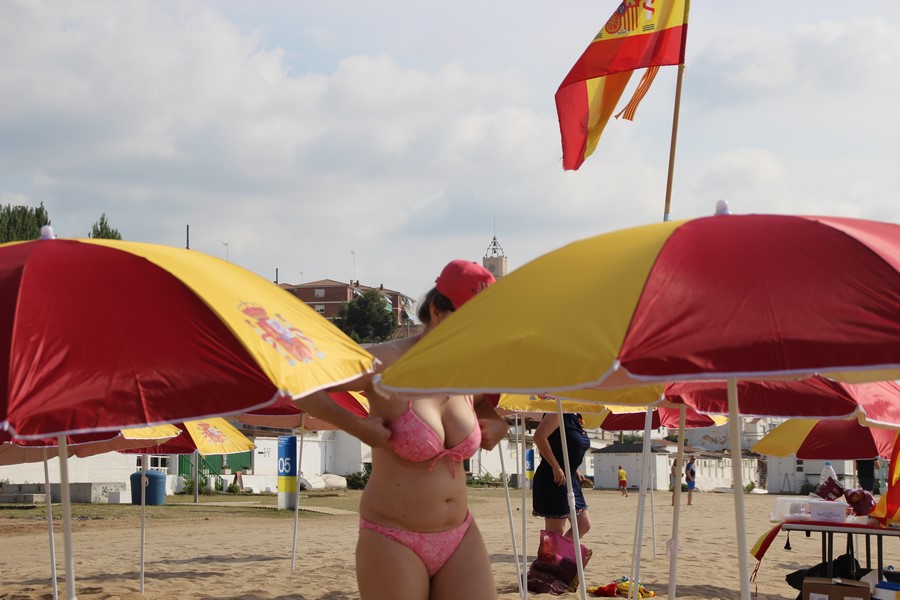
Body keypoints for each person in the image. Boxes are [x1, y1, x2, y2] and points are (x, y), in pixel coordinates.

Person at [294, 260, 510, 600]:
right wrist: (356, 426)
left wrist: (498, 423)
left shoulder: (469, 371)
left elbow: (485, 404)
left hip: (459, 534)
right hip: (393, 536)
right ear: (437, 311)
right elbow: (302, 383)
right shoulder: (385, 361)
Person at [531, 412, 592, 539]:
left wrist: (574, 470)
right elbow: (539, 437)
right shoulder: (558, 411)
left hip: (569, 478)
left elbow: (564, 446)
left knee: (583, 525)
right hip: (554, 478)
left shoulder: (576, 416)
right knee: (555, 531)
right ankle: (550, 558)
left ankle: (560, 556)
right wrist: (556, 466)